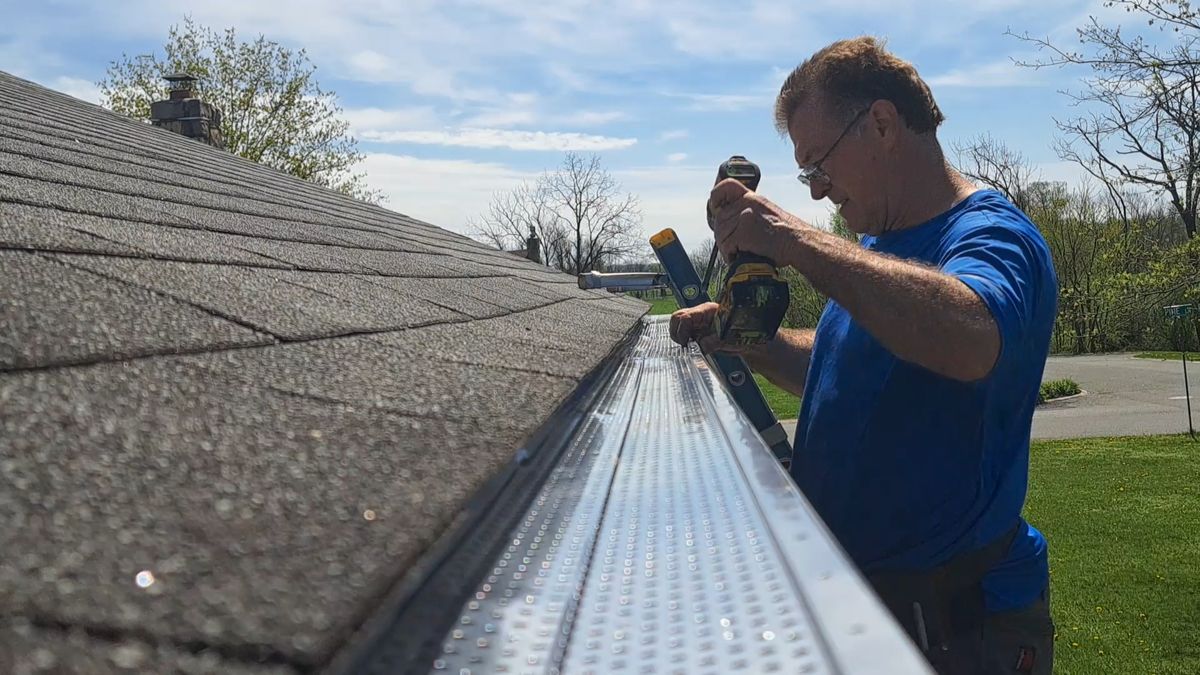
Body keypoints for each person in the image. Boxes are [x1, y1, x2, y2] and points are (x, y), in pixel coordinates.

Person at [669, 37, 1057, 674]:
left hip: (961, 632)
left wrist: (794, 240)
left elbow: (972, 334)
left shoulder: (991, 233)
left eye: (818, 166)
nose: (819, 194)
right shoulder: (879, 246)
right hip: (873, 618)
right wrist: (742, 337)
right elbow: (835, 369)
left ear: (880, 123)